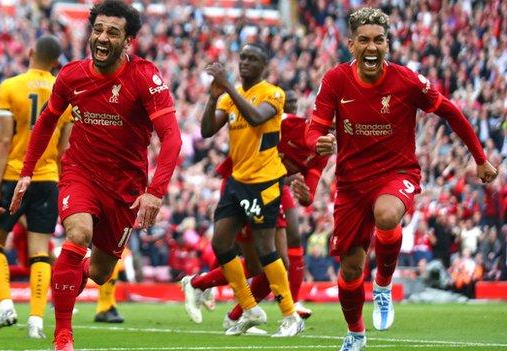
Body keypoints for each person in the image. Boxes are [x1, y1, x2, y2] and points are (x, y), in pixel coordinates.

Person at [301, 8, 498, 351]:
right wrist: (315, 141)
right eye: (364, 40)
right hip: (350, 185)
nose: (372, 46)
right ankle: (356, 334)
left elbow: (451, 111)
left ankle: (383, 285)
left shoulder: (407, 81)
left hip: (397, 174)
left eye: (379, 39)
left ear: (388, 44)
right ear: (352, 44)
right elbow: (314, 127)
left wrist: (480, 158)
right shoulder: (335, 80)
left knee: (388, 215)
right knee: (349, 272)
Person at [8, 1, 182, 350]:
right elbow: (45, 123)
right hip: (80, 173)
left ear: (128, 40)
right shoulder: (71, 75)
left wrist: (155, 191)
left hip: (126, 187)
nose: (102, 38)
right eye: (98, 30)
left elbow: (172, 137)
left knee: (100, 273)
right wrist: (26, 173)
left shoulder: (145, 77)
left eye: (113, 32)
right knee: (78, 233)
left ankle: (66, 278)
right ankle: (63, 337)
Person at [182, 89, 328, 333]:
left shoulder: (321, 153)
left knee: (268, 261)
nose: (332, 137)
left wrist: (306, 196)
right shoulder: (289, 124)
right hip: (242, 183)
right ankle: (279, 313)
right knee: (266, 259)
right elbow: (255, 126)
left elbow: (309, 190)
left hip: (270, 189)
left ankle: (228, 305)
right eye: (329, 130)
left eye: (336, 132)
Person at [199, 44, 302, 337]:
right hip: (238, 180)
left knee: (265, 248)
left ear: (263, 67)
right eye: (242, 58)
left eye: (252, 59)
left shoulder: (273, 93)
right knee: (220, 242)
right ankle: (249, 308)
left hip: (265, 180)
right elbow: (207, 130)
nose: (245, 62)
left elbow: (257, 117)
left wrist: (228, 86)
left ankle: (290, 315)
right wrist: (212, 97)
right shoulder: (230, 98)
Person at [0, 35, 73, 340]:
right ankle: (36, 322)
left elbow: (4, 140)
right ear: (57, 62)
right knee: (40, 252)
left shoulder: (10, 86)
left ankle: (5, 304)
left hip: (14, 175)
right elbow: (65, 147)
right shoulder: (65, 93)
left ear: (31, 52)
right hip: (47, 178)